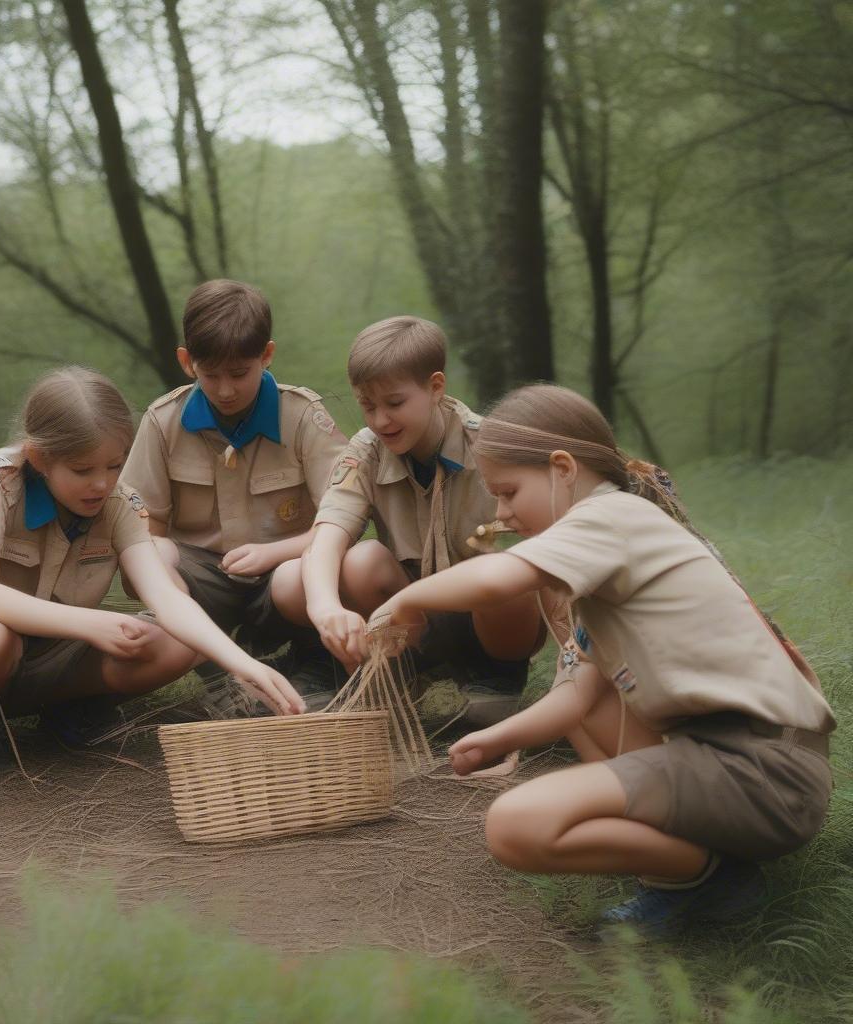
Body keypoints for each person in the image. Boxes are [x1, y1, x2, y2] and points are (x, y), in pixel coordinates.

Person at [370, 382, 835, 936]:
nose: (501, 513)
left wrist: (404, 598)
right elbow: (577, 694)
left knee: (516, 826)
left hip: (762, 770)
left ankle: (707, 879)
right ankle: (679, 863)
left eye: (509, 492)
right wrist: (499, 738)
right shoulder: (604, 560)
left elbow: (501, 576)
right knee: (590, 698)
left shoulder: (610, 517)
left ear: (563, 468)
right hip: (736, 761)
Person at [0, 366, 304, 774]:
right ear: (40, 458)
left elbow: (165, 596)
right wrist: (93, 624)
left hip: (56, 650)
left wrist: (242, 664)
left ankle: (68, 708)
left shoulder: (117, 500)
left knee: (180, 636)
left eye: (114, 465)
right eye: (83, 470)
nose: (102, 484)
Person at [302, 316, 543, 727]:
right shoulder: (368, 450)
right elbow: (327, 536)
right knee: (361, 561)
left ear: (435, 387)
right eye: (367, 405)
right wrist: (324, 608)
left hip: (493, 617)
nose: (380, 421)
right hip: (410, 618)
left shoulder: (489, 444)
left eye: (394, 404)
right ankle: (403, 674)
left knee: (502, 568)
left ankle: (496, 679)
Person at [121, 280, 348, 712]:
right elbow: (139, 529)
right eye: (211, 375)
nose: (225, 390)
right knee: (146, 554)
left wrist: (274, 553)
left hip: (283, 579)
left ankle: (315, 663)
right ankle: (219, 677)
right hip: (203, 589)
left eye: (240, 373)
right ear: (187, 362)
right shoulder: (162, 422)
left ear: (266, 355)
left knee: (307, 571)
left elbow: (345, 520)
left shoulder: (302, 417)